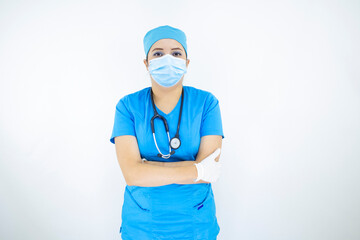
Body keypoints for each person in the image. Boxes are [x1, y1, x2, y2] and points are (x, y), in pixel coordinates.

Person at [110, 25, 225, 240]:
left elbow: (210, 170)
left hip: (195, 222)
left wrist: (148, 168)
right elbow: (131, 174)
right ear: (146, 63)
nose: (168, 59)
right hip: (143, 224)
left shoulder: (207, 103)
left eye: (176, 53)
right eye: (158, 53)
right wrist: (194, 169)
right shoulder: (127, 106)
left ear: (187, 62)